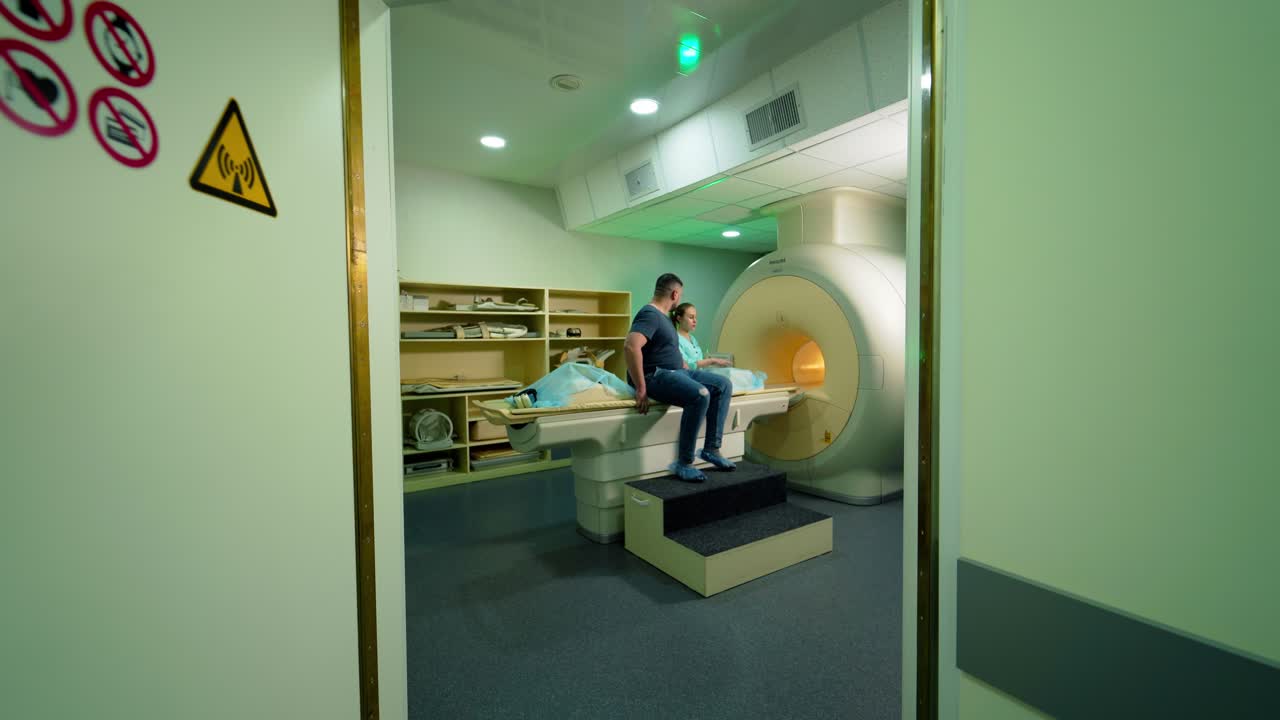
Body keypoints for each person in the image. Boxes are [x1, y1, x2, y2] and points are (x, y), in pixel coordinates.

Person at [624, 273, 736, 483]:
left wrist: (681, 363)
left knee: (723, 385)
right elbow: (631, 346)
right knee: (700, 394)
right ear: (675, 294)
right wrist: (640, 387)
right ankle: (684, 462)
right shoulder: (649, 314)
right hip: (655, 375)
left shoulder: (664, 318)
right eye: (680, 295)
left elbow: (663, 349)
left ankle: (711, 449)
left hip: (677, 371)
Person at [671, 302, 731, 371]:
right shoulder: (675, 339)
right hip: (687, 375)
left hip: (699, 374)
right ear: (679, 318)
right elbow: (687, 364)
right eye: (691, 317)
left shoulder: (693, 339)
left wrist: (711, 362)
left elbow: (699, 361)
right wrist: (712, 361)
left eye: (695, 317)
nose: (695, 321)